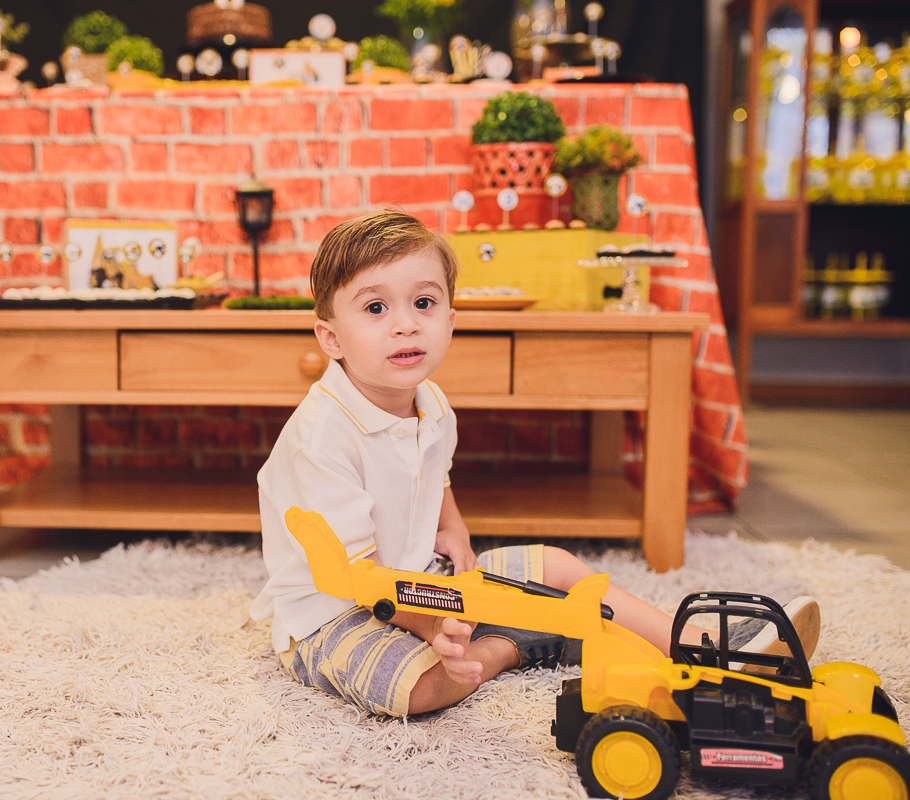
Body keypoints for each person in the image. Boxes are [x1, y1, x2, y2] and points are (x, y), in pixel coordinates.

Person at [248, 210, 820, 718]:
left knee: (556, 566)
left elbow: (432, 472)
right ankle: (514, 644)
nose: (405, 323)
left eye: (424, 303)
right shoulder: (320, 439)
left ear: (451, 317)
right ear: (331, 337)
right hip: (338, 608)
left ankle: (698, 643)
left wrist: (452, 528)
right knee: (420, 688)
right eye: (376, 308)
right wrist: (435, 627)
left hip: (420, 577)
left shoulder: (430, 401)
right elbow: (361, 577)